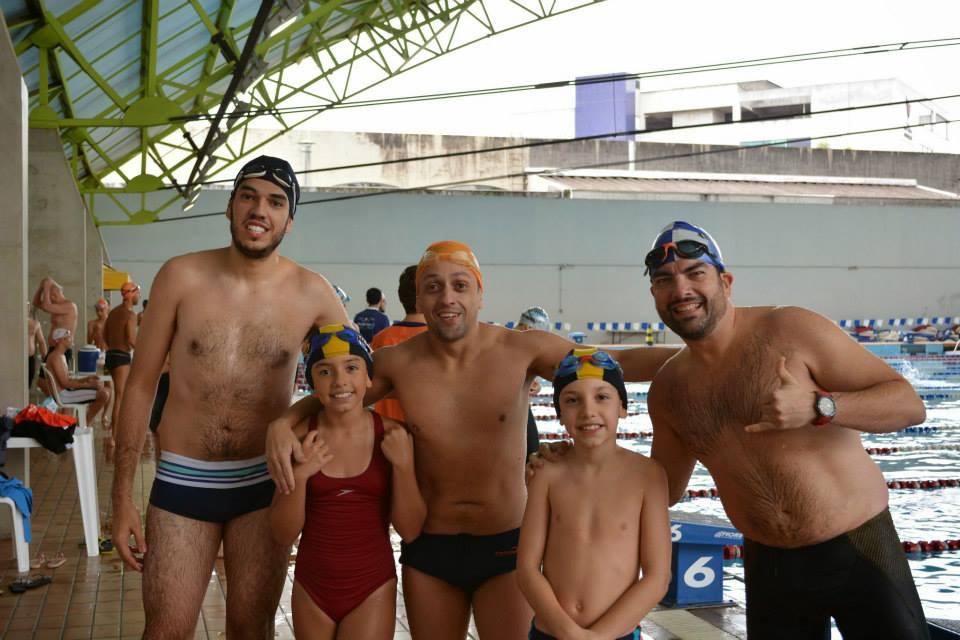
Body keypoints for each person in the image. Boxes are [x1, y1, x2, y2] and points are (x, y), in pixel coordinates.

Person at [267, 240, 677, 640]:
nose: (447, 297)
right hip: (430, 547)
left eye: (460, 285)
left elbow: (615, 364)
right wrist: (285, 422)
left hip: (506, 547)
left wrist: (696, 356)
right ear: (420, 299)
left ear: (480, 294)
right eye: (433, 287)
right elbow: (341, 391)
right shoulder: (397, 362)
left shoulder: (521, 350)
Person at [644, 220, 929, 639]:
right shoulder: (669, 390)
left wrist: (820, 406)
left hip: (859, 548)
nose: (681, 289)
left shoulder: (790, 330)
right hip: (770, 566)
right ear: (654, 294)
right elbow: (662, 490)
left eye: (695, 273)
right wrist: (581, 461)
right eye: (664, 280)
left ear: (725, 282)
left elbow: (909, 405)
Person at [110, 155, 349, 639]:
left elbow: (353, 384)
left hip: (265, 483)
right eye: (248, 197)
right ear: (230, 206)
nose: (259, 210)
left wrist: (288, 420)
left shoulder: (313, 294)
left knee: (251, 629)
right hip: (183, 479)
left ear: (289, 219)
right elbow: (140, 385)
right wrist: (121, 499)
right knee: (166, 630)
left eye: (276, 202)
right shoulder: (181, 276)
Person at [270, 324, 426, 640]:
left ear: (368, 378)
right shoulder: (298, 439)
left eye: (351, 368)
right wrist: (300, 476)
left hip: (372, 586)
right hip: (312, 587)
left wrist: (404, 467)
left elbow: (410, 530)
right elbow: (282, 533)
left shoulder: (393, 435)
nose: (339, 380)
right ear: (312, 382)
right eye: (325, 371)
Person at [517, 347, 671, 640]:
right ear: (559, 414)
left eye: (602, 397)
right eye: (572, 400)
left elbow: (657, 577)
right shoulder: (547, 473)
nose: (588, 411)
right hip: (551, 632)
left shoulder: (648, 476)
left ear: (623, 407)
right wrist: (569, 634)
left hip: (616, 634)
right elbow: (527, 569)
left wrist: (598, 637)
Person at [370, 265, 427, 422]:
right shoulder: (438, 341)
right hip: (425, 430)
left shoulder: (381, 339)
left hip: (386, 425)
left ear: (401, 297)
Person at [41, 328, 110, 423]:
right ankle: (83, 423)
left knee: (101, 389)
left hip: (66, 392)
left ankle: (83, 422)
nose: (72, 340)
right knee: (104, 394)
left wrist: (87, 379)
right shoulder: (56, 357)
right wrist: (89, 385)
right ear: (62, 340)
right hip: (64, 396)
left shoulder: (61, 356)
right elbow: (65, 384)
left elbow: (67, 380)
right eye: (69, 337)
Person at [514, 306, 552, 461]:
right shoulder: (506, 345)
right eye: (539, 337)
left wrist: (529, 382)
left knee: (532, 453)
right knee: (532, 453)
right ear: (527, 328)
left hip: (517, 409)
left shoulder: (517, 344)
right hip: (507, 413)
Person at [105, 282, 140, 433]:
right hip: (121, 357)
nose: (139, 296)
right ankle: (115, 436)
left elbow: (104, 335)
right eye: (137, 293)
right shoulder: (131, 315)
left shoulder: (113, 312)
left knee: (118, 396)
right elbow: (132, 339)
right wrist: (143, 352)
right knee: (120, 397)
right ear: (131, 294)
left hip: (110, 355)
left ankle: (115, 432)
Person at [32, 277, 78, 366]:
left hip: (62, 350)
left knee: (52, 375)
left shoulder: (70, 306)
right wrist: (41, 287)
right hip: (53, 348)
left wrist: (46, 287)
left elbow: (46, 306)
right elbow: (36, 303)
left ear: (54, 295)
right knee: (44, 375)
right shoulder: (56, 306)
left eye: (48, 296)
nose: (48, 299)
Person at [27, 303, 47, 390]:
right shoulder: (14, 323)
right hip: (16, 358)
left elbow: (41, 342)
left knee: (28, 383)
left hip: (29, 358)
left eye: (28, 306)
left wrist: (45, 358)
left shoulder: (34, 324)